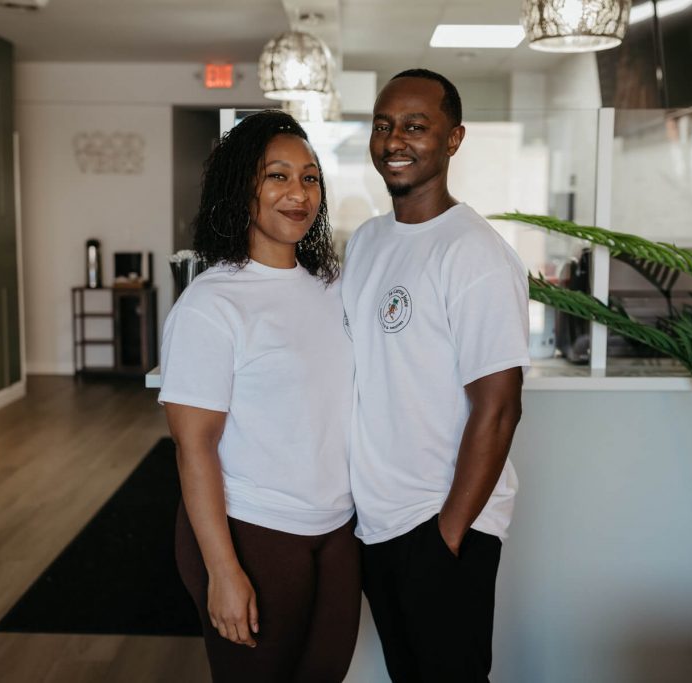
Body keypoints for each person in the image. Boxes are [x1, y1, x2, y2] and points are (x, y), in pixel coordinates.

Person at [341, 69, 530, 682]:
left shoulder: (473, 252)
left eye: (416, 126)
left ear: (454, 139)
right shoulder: (367, 242)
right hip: (376, 523)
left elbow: (498, 408)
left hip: (442, 523)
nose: (395, 139)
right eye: (383, 124)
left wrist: (446, 534)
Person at [159, 111, 360, 683]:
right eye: (278, 176)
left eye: (311, 177)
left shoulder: (333, 289)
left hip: (337, 530)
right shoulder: (212, 304)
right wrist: (223, 572)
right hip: (254, 530)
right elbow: (193, 447)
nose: (298, 193)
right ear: (241, 188)